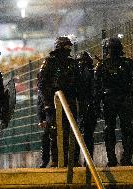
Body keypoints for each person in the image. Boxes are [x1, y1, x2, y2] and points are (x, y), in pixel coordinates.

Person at [95, 37, 133, 166]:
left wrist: (97, 104)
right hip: (113, 99)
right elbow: (97, 88)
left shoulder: (125, 64)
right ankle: (116, 158)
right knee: (115, 129)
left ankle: (122, 158)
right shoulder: (104, 65)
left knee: (123, 129)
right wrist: (97, 104)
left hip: (119, 98)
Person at [37, 36, 80, 168]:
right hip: (54, 101)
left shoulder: (72, 63)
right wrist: (47, 103)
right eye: (65, 46)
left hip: (70, 100)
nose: (68, 49)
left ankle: (72, 159)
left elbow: (78, 82)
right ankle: (55, 159)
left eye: (69, 47)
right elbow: (42, 84)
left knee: (71, 130)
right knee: (54, 131)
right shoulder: (49, 62)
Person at [76, 51, 98, 161]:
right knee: (86, 135)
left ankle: (83, 160)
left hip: (84, 107)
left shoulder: (92, 73)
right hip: (82, 106)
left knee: (83, 134)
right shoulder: (92, 72)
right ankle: (85, 160)